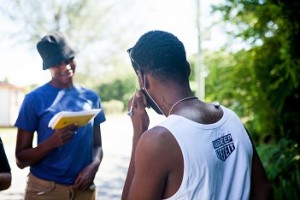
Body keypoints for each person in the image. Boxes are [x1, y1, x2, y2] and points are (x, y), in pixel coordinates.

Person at [121, 30, 273, 200]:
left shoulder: (157, 140)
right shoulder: (232, 119)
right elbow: (264, 191)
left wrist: (139, 132)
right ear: (188, 68)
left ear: (142, 79)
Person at [14, 32, 106, 200]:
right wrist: (51, 143)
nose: (65, 67)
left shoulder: (91, 98)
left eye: (69, 59)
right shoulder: (33, 100)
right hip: (45, 191)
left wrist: (94, 165)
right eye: (57, 64)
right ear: (48, 66)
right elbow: (21, 160)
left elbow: (97, 146)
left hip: (84, 190)